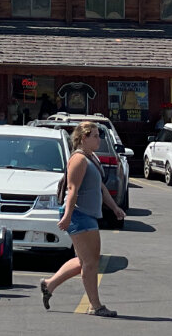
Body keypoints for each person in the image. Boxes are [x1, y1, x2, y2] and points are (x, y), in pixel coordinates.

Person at [40, 121, 124, 317]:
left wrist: (114, 208)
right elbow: (72, 189)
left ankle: (49, 284)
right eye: (95, 135)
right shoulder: (78, 159)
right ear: (84, 138)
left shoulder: (91, 157)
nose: (99, 139)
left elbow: (101, 188)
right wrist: (68, 215)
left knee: (84, 260)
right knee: (91, 262)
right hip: (79, 215)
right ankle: (95, 306)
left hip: (87, 215)